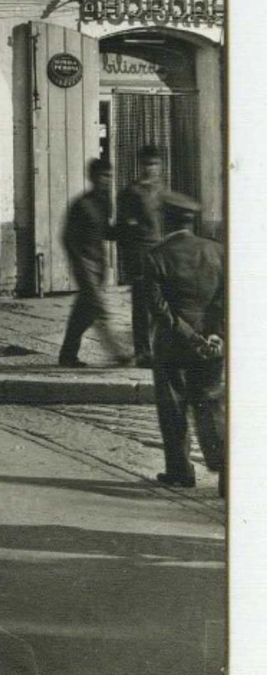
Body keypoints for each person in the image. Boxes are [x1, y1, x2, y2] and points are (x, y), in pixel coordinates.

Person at [145, 201, 225, 492]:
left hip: (173, 345)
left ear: (166, 224)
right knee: (211, 403)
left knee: (173, 406)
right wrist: (218, 335)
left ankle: (180, 471)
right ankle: (226, 471)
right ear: (191, 222)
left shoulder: (156, 256)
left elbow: (159, 310)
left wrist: (191, 337)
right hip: (213, 345)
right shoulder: (217, 251)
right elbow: (226, 300)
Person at [59, 159, 131, 367]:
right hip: (85, 265)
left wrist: (126, 229)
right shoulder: (81, 205)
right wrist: (81, 265)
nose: (106, 180)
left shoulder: (104, 202)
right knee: (99, 309)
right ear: (92, 178)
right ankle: (118, 353)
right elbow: (68, 238)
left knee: (84, 313)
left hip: (99, 265)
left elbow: (106, 231)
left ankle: (67, 354)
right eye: (102, 176)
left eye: (109, 176)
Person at [114, 144, 171, 366]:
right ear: (141, 165)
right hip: (140, 254)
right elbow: (124, 226)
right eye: (147, 164)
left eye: (155, 164)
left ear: (160, 166)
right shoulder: (131, 192)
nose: (151, 168)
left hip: (160, 252)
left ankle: (156, 347)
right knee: (141, 305)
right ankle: (142, 352)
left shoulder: (161, 191)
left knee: (160, 303)